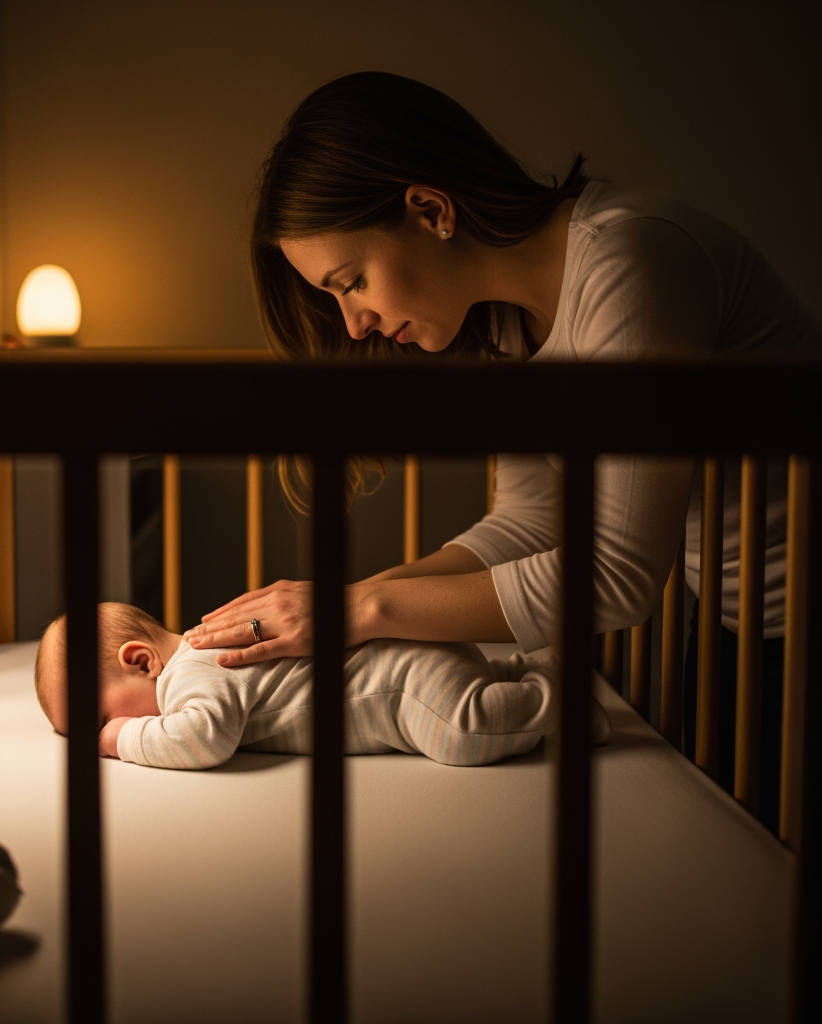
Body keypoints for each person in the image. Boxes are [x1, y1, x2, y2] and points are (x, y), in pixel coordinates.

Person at [181, 72, 820, 827]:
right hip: (738, 622)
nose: (353, 324)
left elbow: (616, 574)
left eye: (351, 282)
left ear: (431, 210)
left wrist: (361, 609)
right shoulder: (506, 323)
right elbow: (532, 521)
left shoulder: (630, 263)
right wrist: (342, 608)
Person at [33, 602, 611, 770]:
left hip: (408, 685)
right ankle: (516, 674)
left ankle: (551, 688)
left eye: (96, 716)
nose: (100, 729)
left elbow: (204, 739)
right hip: (411, 662)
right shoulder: (200, 655)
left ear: (141, 662)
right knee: (473, 701)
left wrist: (119, 739)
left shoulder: (192, 671)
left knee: (464, 732)